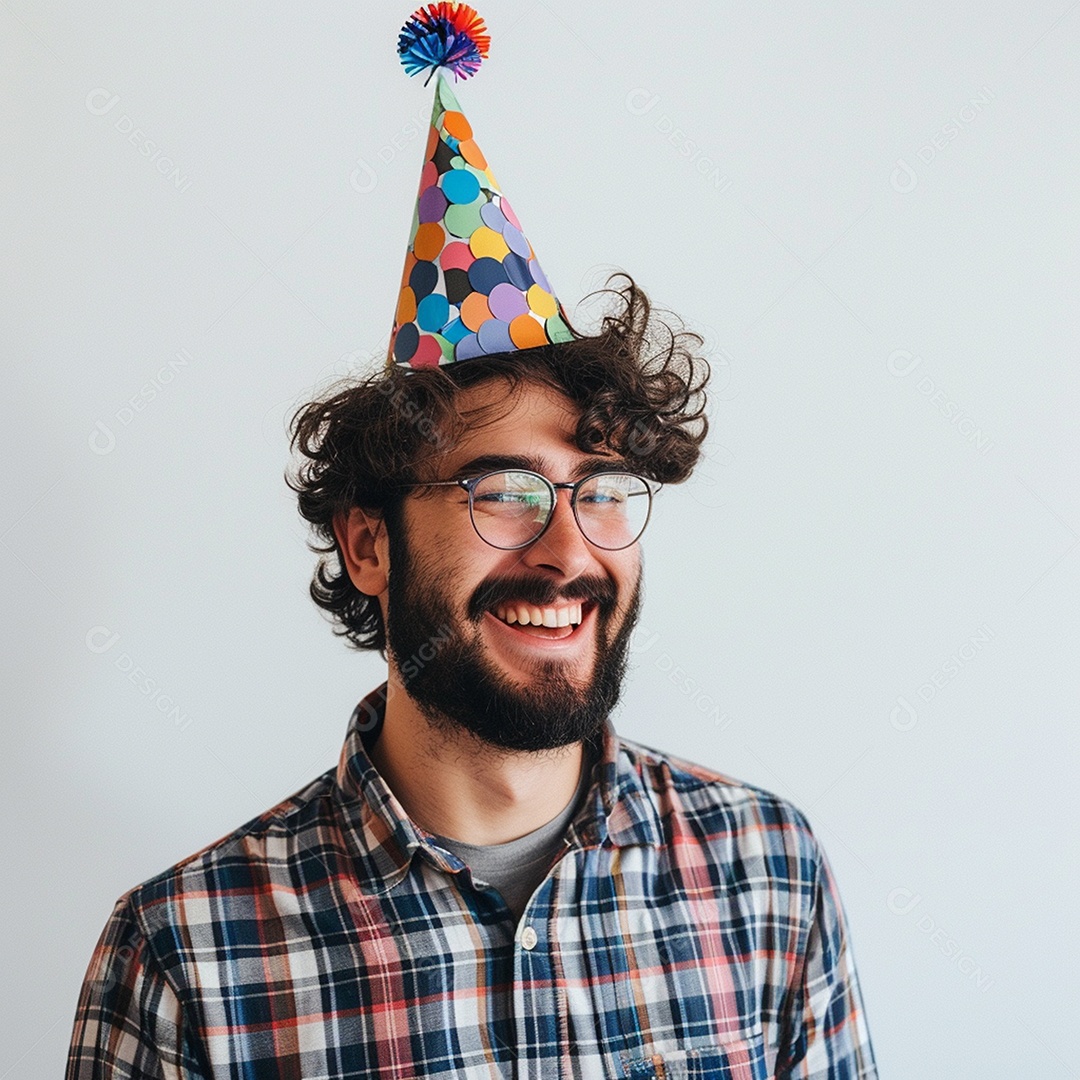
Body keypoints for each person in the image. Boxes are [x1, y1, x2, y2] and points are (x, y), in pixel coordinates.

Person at [68, 9, 876, 1076]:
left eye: (603, 491)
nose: (567, 551)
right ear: (368, 543)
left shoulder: (769, 875)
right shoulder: (186, 957)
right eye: (506, 491)